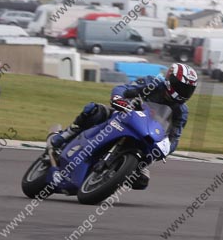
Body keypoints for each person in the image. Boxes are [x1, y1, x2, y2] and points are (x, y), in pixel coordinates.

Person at [47, 63, 198, 189]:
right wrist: (119, 99)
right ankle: (67, 133)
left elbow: (175, 137)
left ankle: (113, 174)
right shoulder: (152, 83)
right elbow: (124, 88)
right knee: (94, 110)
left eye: (188, 90)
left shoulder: (181, 111)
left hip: (146, 137)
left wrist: (166, 149)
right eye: (181, 86)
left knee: (141, 181)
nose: (184, 92)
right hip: (125, 116)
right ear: (170, 80)